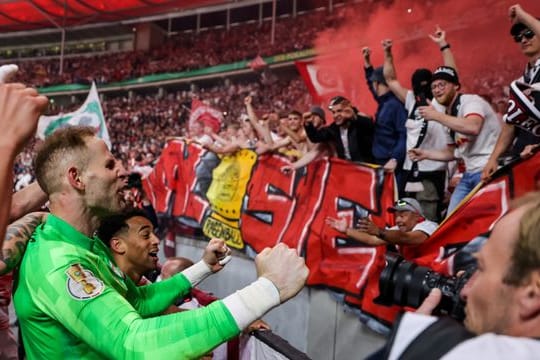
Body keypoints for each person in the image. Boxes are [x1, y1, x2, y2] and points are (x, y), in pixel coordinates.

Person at [13, 126, 309, 359]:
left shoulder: (88, 245)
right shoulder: (58, 263)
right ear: (76, 178)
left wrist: (202, 268)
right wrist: (267, 290)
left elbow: (138, 302)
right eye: (109, 165)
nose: (123, 172)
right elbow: (134, 342)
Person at [370, 192, 540, 359]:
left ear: (532, 295)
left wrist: (418, 343)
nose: (464, 289)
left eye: (481, 268)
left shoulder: (451, 350)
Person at [382, 26, 456, 221]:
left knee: (428, 219)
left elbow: (451, 74)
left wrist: (443, 45)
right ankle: (409, 250)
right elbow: (390, 79)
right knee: (405, 216)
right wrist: (388, 53)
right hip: (408, 171)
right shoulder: (411, 101)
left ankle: (427, 249)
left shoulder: (442, 102)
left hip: (432, 174)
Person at [409, 66, 501, 215]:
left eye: (442, 85)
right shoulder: (447, 116)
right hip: (469, 174)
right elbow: (453, 152)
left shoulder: (471, 102)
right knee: (451, 219)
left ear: (456, 86)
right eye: (433, 87)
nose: (437, 90)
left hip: (488, 170)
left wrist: (437, 116)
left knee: (487, 218)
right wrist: (426, 154)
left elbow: (473, 127)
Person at [482, 4, 540, 180]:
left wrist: (522, 15)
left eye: (529, 34)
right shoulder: (522, 80)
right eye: (518, 37)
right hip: (524, 160)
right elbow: (510, 123)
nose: (523, 40)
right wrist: (493, 159)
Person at [325, 197, 437, 259]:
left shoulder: (429, 226)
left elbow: (407, 238)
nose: (398, 220)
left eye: (402, 215)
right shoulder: (397, 230)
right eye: (396, 216)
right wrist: (347, 230)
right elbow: (372, 240)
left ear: (417, 216)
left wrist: (379, 231)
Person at [362, 48, 407, 192]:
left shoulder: (394, 105)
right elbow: (371, 85)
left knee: (397, 200)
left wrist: (395, 159)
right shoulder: (385, 102)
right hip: (384, 163)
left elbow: (404, 134)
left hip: (393, 166)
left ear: (377, 84)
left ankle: (401, 210)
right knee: (387, 199)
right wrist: (368, 64)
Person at [304, 95, 374, 163]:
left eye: (339, 111)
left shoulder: (360, 120)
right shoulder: (334, 127)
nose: (335, 115)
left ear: (348, 110)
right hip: (347, 169)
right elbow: (315, 137)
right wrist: (308, 125)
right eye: (333, 112)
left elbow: (369, 126)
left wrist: (354, 117)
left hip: (367, 168)